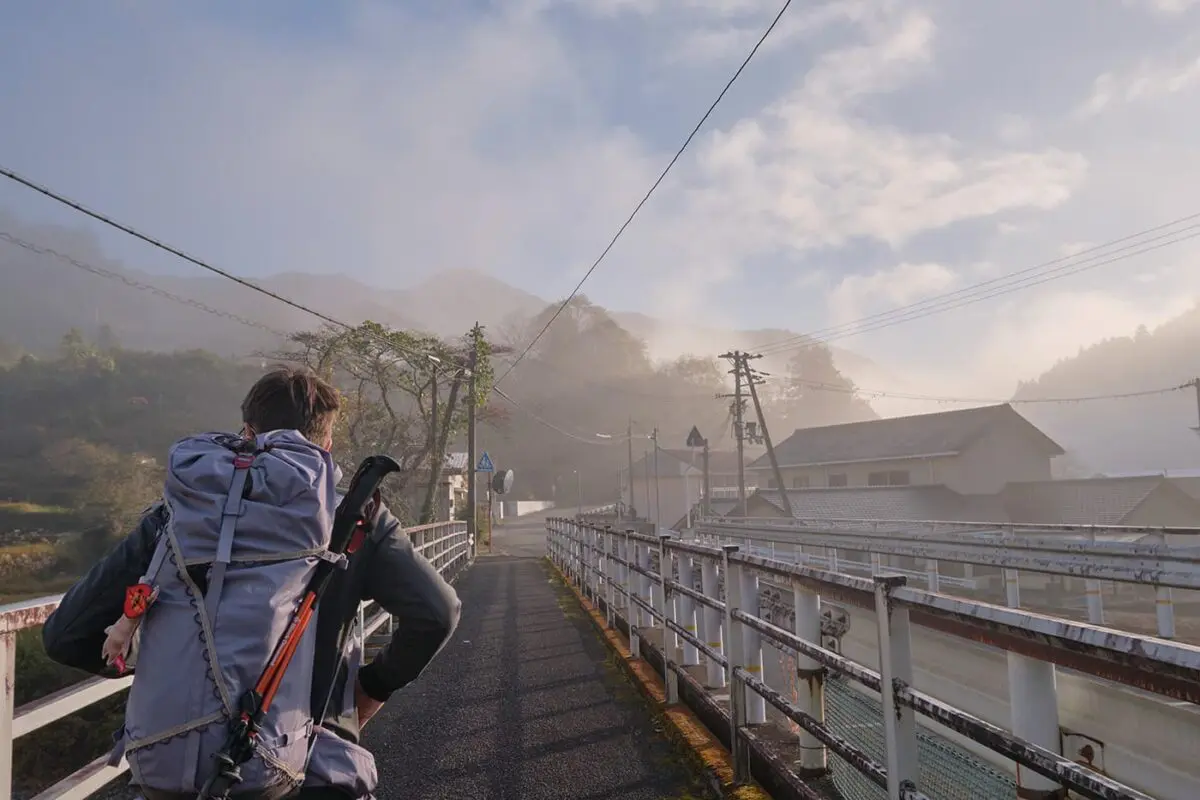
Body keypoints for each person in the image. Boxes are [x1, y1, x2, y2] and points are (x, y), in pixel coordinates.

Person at [42, 366, 462, 800]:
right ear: (327, 444)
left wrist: (166, 655)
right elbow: (437, 612)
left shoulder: (175, 519)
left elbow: (64, 635)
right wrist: (370, 689)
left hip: (177, 771)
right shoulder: (355, 518)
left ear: (246, 433)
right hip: (310, 765)